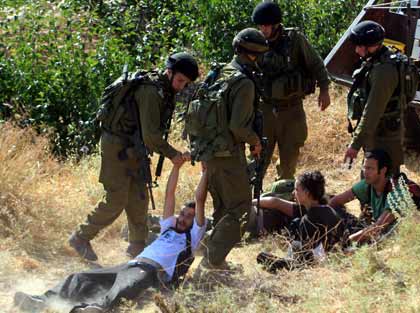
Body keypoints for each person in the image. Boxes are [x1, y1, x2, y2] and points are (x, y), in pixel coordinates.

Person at [13, 160, 207, 313]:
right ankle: (42, 301)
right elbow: (170, 195)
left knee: (125, 286)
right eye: (182, 214)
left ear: (196, 221)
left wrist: (205, 171)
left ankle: (96, 309)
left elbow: (200, 198)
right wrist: (176, 166)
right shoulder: (168, 228)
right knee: (80, 278)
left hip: (150, 273)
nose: (182, 218)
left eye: (189, 217)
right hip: (131, 265)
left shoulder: (192, 238)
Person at [69, 52, 200, 261]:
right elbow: (151, 136)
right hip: (118, 147)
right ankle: (80, 237)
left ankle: (137, 247)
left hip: (134, 148)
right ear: (169, 72)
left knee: (139, 197)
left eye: (186, 83)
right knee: (116, 199)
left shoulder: (163, 91)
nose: (181, 87)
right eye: (180, 80)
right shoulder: (150, 91)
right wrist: (173, 154)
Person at [194, 28, 268, 271]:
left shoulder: (219, 73)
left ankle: (210, 253)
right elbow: (238, 127)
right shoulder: (243, 82)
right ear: (254, 55)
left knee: (224, 207)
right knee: (241, 209)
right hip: (228, 154)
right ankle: (213, 259)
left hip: (211, 153)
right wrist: (255, 141)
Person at [251, 1, 331, 180]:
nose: (263, 29)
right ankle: (251, 200)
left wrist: (324, 90)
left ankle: (281, 198)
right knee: (257, 162)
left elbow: (316, 64)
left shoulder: (294, 40)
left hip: (291, 109)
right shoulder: (254, 41)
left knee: (289, 163)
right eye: (260, 25)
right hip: (265, 109)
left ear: (276, 24)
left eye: (266, 25)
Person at [344, 21, 404, 176]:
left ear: (371, 46)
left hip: (384, 136)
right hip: (376, 133)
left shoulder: (384, 71)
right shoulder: (377, 61)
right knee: (370, 182)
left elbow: (372, 111)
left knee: (385, 181)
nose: (357, 50)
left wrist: (355, 145)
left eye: (360, 45)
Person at [256, 171, 344, 273]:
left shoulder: (308, 219)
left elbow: (309, 257)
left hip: (317, 264)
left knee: (262, 257)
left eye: (297, 190)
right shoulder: (329, 210)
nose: (293, 193)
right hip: (334, 258)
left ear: (307, 193)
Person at [330, 149, 399, 244]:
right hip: (374, 231)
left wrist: (347, 241)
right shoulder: (367, 185)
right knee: (334, 210)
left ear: (383, 170)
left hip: (392, 238)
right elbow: (334, 202)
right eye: (365, 168)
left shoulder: (396, 191)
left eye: (370, 168)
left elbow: (378, 227)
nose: (365, 172)